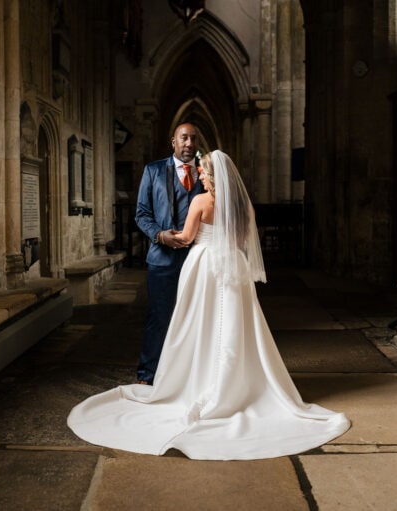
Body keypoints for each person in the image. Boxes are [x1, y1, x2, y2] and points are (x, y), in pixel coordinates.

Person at [67, 150, 350, 460]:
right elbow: (243, 240)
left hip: (204, 266)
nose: (199, 175)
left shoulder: (200, 202)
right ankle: (236, 385)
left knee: (198, 323)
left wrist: (167, 235)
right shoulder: (243, 206)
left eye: (203, 171)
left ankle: (199, 380)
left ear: (213, 176)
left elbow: (188, 237)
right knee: (235, 323)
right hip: (233, 265)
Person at [133, 122, 205, 385]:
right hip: (162, 259)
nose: (189, 143)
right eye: (184, 138)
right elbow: (142, 213)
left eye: (194, 139)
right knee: (159, 316)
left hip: (198, 258)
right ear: (172, 142)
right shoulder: (153, 171)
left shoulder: (205, 174)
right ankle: (148, 374)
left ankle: (190, 376)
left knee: (196, 316)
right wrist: (160, 235)